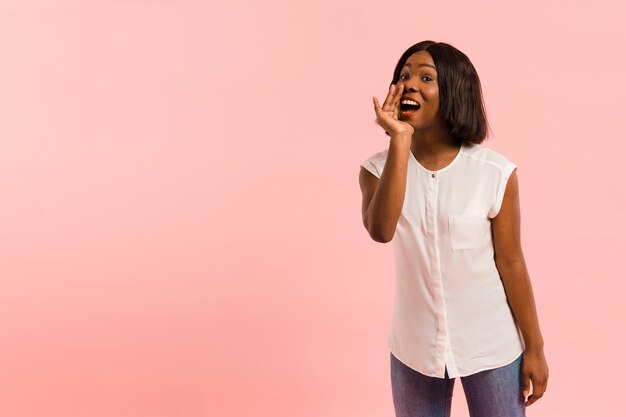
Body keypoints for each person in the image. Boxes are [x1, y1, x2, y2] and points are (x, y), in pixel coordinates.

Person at [358, 40, 549, 417]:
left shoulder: (494, 173)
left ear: (454, 92)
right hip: (414, 349)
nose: (410, 83)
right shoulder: (375, 170)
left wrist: (536, 348)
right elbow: (380, 230)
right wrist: (400, 140)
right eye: (404, 75)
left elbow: (511, 263)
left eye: (426, 77)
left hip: (491, 347)